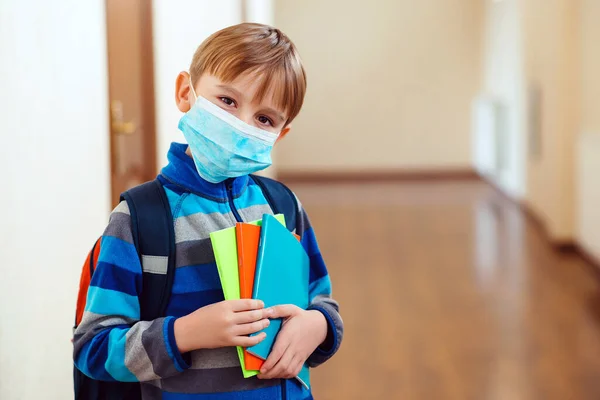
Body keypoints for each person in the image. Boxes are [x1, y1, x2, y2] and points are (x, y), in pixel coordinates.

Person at [73, 23, 343, 399]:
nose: (240, 124)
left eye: (264, 119)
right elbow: (94, 348)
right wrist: (183, 334)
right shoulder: (139, 219)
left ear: (279, 135)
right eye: (228, 101)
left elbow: (321, 298)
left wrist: (319, 325)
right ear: (187, 92)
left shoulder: (283, 205)